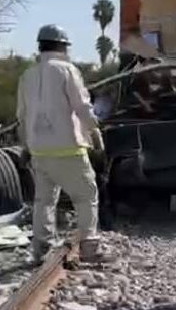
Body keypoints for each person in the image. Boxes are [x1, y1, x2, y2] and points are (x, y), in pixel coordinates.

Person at [17, 24, 112, 264]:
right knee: (86, 195)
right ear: (62, 46)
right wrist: (96, 136)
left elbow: (22, 116)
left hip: (39, 151)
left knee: (44, 201)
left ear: (41, 46)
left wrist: (26, 148)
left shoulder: (28, 76)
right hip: (69, 149)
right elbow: (82, 107)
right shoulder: (67, 70)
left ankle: (41, 249)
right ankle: (89, 247)